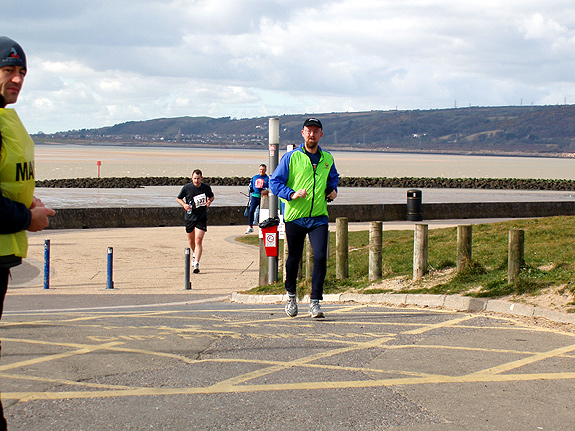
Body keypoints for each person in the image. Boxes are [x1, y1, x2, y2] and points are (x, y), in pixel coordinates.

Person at [0, 36, 55, 430]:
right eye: (8, 69)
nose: (17, 78)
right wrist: (25, 217)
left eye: (22, 72)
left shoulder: (6, 116)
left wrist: (26, 202)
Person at [270, 118, 339, 318]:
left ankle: (315, 302)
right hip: (296, 216)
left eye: (315, 131)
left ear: (320, 135)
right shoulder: (291, 158)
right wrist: (291, 194)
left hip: (318, 216)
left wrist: (332, 190)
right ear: (302, 133)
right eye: (308, 131)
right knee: (294, 258)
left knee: (320, 257)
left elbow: (332, 178)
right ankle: (291, 295)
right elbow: (275, 182)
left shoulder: (327, 158)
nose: (312, 134)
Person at [176, 169, 214, 274]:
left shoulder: (206, 187)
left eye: (198, 178)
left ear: (201, 178)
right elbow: (178, 198)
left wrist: (209, 201)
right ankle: (194, 254)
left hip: (201, 217)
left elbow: (211, 196)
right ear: (192, 178)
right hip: (190, 217)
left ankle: (196, 263)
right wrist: (184, 205)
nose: (196, 181)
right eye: (194, 178)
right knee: (192, 242)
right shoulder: (187, 188)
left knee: (198, 240)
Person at [245, 164, 269, 234]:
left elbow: (270, 187)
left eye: (263, 170)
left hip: (263, 197)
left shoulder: (267, 178)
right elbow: (250, 185)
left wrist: (264, 190)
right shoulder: (255, 177)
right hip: (255, 196)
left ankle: (263, 226)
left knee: (263, 212)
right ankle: (250, 226)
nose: (261, 171)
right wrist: (251, 189)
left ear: (265, 170)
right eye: (260, 169)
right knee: (251, 210)